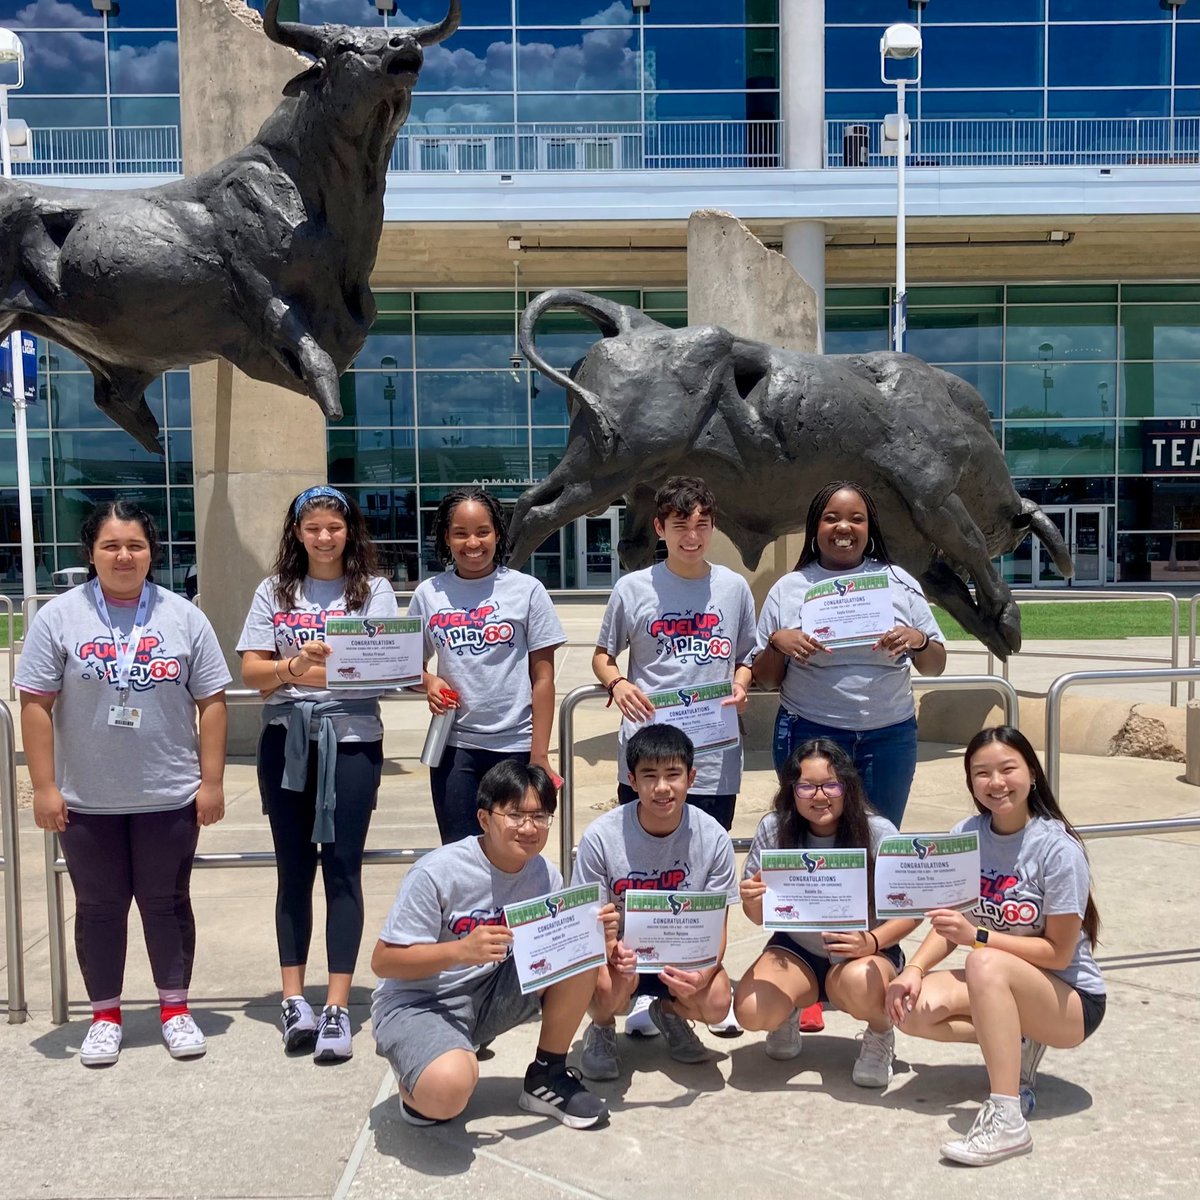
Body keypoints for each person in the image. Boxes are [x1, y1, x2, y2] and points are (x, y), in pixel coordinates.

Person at [17, 500, 230, 1066]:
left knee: (165, 903)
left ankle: (174, 1009)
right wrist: (44, 787)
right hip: (87, 799)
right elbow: (35, 705)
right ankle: (106, 1016)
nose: (123, 555)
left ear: (151, 551)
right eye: (110, 545)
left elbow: (211, 702)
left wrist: (211, 782)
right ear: (91, 553)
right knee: (99, 907)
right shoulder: (58, 617)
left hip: (169, 792)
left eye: (135, 545)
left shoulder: (185, 617)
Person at [885, 726, 1105, 1167]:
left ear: (1033, 774)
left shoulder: (1057, 849)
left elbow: (1059, 954)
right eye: (981, 773)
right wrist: (913, 971)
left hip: (1070, 1000)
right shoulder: (966, 833)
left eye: (1008, 769)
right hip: (1005, 984)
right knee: (910, 1009)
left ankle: (1006, 1117)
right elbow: (953, 921)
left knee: (985, 961)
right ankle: (1016, 1040)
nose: (996, 783)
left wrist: (978, 938)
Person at [237, 485, 398, 1062]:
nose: (325, 537)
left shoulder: (374, 590)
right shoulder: (273, 590)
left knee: (344, 869)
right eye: (314, 528)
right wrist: (293, 666)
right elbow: (255, 673)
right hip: (286, 742)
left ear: (350, 531)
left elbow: (381, 671)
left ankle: (335, 1005)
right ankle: (292, 999)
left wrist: (313, 676)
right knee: (293, 869)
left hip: (352, 742)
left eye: (335, 527)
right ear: (297, 533)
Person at [591, 476, 754, 1037]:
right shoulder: (634, 588)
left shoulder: (733, 588)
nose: (692, 535)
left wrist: (741, 681)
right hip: (650, 757)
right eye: (680, 524)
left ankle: (688, 989)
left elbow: (746, 653)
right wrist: (615, 683)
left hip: (712, 758)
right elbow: (601, 654)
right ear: (660, 528)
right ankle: (636, 993)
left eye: (702, 523)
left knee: (697, 880)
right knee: (637, 877)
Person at [371, 760, 611, 1129]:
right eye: (515, 814)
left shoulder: (544, 875)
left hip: (491, 992)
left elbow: (560, 954)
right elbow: (384, 962)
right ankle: (420, 1073)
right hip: (421, 1002)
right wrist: (459, 951)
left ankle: (547, 1075)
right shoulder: (437, 871)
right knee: (448, 1091)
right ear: (484, 818)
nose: (530, 828)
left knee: (578, 941)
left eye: (541, 816)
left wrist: (600, 934)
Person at [751, 480, 946, 828]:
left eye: (857, 518)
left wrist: (917, 639)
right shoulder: (789, 588)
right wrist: (777, 642)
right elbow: (765, 679)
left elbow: (935, 666)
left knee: (880, 841)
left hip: (888, 738)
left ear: (869, 528)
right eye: (831, 518)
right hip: (809, 734)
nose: (844, 527)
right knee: (811, 838)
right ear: (815, 528)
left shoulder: (899, 581)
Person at [735, 739, 918, 1086]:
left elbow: (913, 912)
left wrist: (872, 940)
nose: (820, 796)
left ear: (847, 786)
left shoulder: (878, 831)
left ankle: (880, 1033)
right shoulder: (774, 828)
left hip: (863, 951)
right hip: (798, 949)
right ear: (792, 789)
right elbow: (759, 917)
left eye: (830, 784)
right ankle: (787, 1012)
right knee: (750, 1009)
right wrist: (751, 901)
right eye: (806, 786)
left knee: (860, 982)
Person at [573, 724, 740, 1081]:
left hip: (681, 956)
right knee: (604, 989)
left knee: (717, 1001)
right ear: (631, 780)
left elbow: (718, 928)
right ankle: (601, 1029)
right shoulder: (601, 837)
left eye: (673, 775)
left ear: (691, 778)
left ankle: (669, 1012)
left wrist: (704, 974)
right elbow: (586, 924)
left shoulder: (713, 838)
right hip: (623, 959)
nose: (662, 788)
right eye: (649, 775)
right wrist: (608, 948)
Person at [409, 487, 565, 844]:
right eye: (460, 533)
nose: (473, 543)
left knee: (515, 850)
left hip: (516, 746)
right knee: (460, 855)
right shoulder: (429, 594)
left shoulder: (527, 590)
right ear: (446, 538)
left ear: (498, 534)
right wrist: (428, 681)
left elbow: (543, 678)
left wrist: (539, 753)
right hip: (455, 749)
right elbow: (406, 666)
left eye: (482, 531)